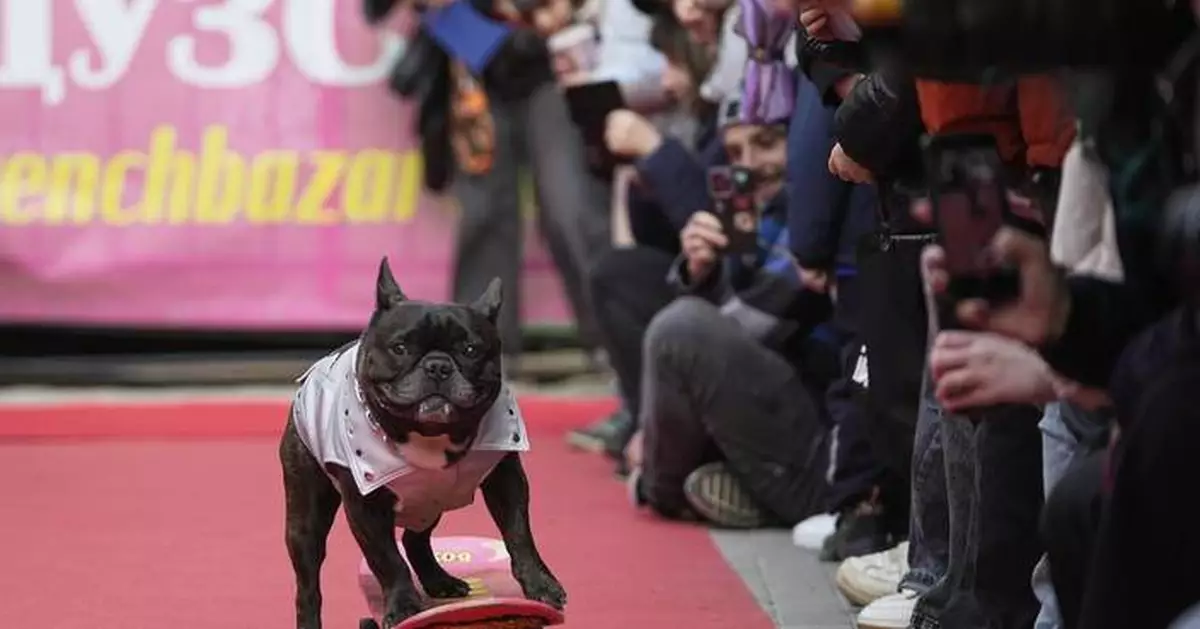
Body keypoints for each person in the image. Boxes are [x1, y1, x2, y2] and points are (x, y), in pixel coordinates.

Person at [625, 76, 839, 528]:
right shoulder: (762, 215)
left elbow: (746, 327)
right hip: (794, 408)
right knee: (624, 278)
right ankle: (711, 476)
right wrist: (701, 271)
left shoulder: (813, 207)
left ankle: (660, 485)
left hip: (829, 450)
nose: (751, 165)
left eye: (765, 143)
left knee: (681, 329)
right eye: (736, 153)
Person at [367, 0, 613, 364]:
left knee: (571, 205)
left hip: (555, 51)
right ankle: (476, 347)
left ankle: (613, 339)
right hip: (472, 58)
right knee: (484, 213)